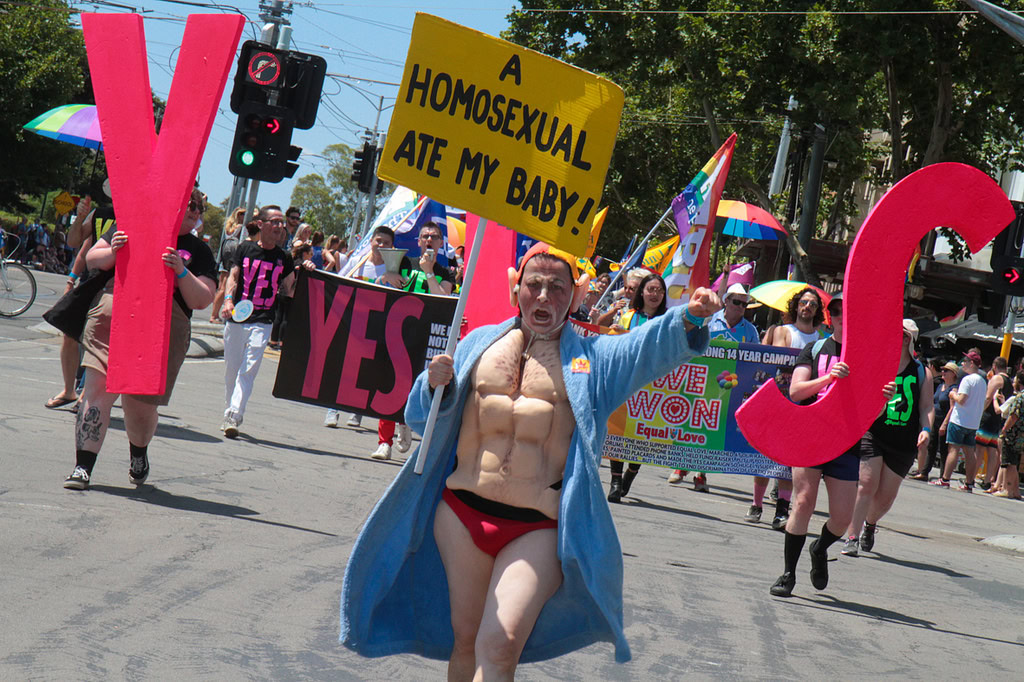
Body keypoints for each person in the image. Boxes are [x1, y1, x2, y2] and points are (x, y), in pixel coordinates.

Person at [340, 241, 720, 675]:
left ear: (576, 295)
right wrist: (432, 384)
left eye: (557, 288)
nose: (544, 297)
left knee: (500, 645)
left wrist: (688, 317)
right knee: (464, 640)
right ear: (514, 288)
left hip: (537, 527)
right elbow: (421, 419)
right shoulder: (475, 345)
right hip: (461, 515)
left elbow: (644, 349)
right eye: (534, 285)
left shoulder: (594, 360)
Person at [63, 189, 217, 489]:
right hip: (113, 314)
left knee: (139, 406)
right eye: (190, 202)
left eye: (200, 206)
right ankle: (83, 467)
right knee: (96, 390)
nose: (196, 210)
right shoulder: (132, 225)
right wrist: (113, 251)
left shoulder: (199, 251)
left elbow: (203, 299)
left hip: (164, 328)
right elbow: (93, 259)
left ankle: (138, 452)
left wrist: (181, 271)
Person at [769, 294, 895, 596]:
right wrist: (826, 379)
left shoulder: (867, 356)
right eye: (835, 311)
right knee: (803, 502)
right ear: (829, 317)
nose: (840, 315)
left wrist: (883, 399)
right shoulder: (815, 349)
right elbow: (797, 391)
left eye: (846, 311)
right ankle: (788, 574)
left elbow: (872, 413)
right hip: (812, 435)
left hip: (847, 441)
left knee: (841, 518)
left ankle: (819, 548)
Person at [841, 320, 933, 556]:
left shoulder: (922, 371)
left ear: (909, 340)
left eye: (902, 335)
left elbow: (926, 407)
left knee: (885, 498)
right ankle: (852, 536)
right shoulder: (879, 364)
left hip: (904, 442)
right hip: (874, 433)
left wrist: (927, 430)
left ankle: (870, 524)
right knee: (866, 484)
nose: (897, 338)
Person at [220, 205, 310, 439]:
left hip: (263, 319)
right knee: (232, 369)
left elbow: (290, 290)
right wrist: (228, 301)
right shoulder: (245, 248)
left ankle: (234, 414)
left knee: (248, 369)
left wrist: (306, 270)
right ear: (261, 224)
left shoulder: (284, 258)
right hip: (238, 316)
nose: (280, 227)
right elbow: (234, 276)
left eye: (282, 223)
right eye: (275, 222)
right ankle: (229, 409)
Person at [669, 282, 760, 492]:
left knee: (712, 429)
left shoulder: (750, 330)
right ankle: (681, 466)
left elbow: (755, 357)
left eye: (744, 304)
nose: (739, 307)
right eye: (736, 302)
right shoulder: (709, 322)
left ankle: (700, 474)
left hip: (729, 387)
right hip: (702, 383)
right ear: (726, 301)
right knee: (692, 424)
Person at [607, 272, 668, 502]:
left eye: (659, 290)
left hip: (653, 386)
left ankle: (630, 474)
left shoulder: (667, 320)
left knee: (642, 435)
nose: (654, 294)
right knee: (618, 430)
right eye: (650, 289)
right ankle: (615, 480)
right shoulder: (628, 316)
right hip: (624, 381)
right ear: (641, 292)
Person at [932, 350, 987, 491]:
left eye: (965, 361)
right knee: (969, 452)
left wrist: (953, 395)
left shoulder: (967, 380)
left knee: (953, 449)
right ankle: (969, 483)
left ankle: (945, 479)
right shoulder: (982, 381)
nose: (963, 364)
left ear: (972, 363)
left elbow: (961, 400)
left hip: (959, 420)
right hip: (973, 422)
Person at [910, 360, 958, 481]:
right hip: (934, 420)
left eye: (946, 371)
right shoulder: (940, 386)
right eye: (943, 370)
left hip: (943, 421)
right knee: (931, 447)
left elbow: (952, 408)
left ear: (953, 374)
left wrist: (944, 424)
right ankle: (924, 472)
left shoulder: (953, 389)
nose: (943, 372)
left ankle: (942, 476)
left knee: (943, 450)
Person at [976, 356, 1011, 491]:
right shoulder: (1009, 381)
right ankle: (988, 479)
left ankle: (971, 477)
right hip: (999, 419)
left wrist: (979, 412)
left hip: (988, 417)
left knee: (979, 449)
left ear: (994, 366)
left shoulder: (996, 379)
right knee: (992, 450)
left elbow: (988, 397)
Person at [209, 206, 246, 323]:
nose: (244, 216)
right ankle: (217, 315)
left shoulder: (229, 227)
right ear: (238, 215)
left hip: (224, 259)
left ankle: (214, 314)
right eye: (242, 214)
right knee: (228, 288)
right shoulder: (240, 228)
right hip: (232, 260)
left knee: (222, 288)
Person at [993, 371, 1024, 499]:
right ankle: (1015, 491)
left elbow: (1014, 416)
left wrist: (1005, 429)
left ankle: (1007, 489)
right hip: (1021, 436)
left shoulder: (1020, 397)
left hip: (1013, 434)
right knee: (1014, 462)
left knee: (1009, 462)